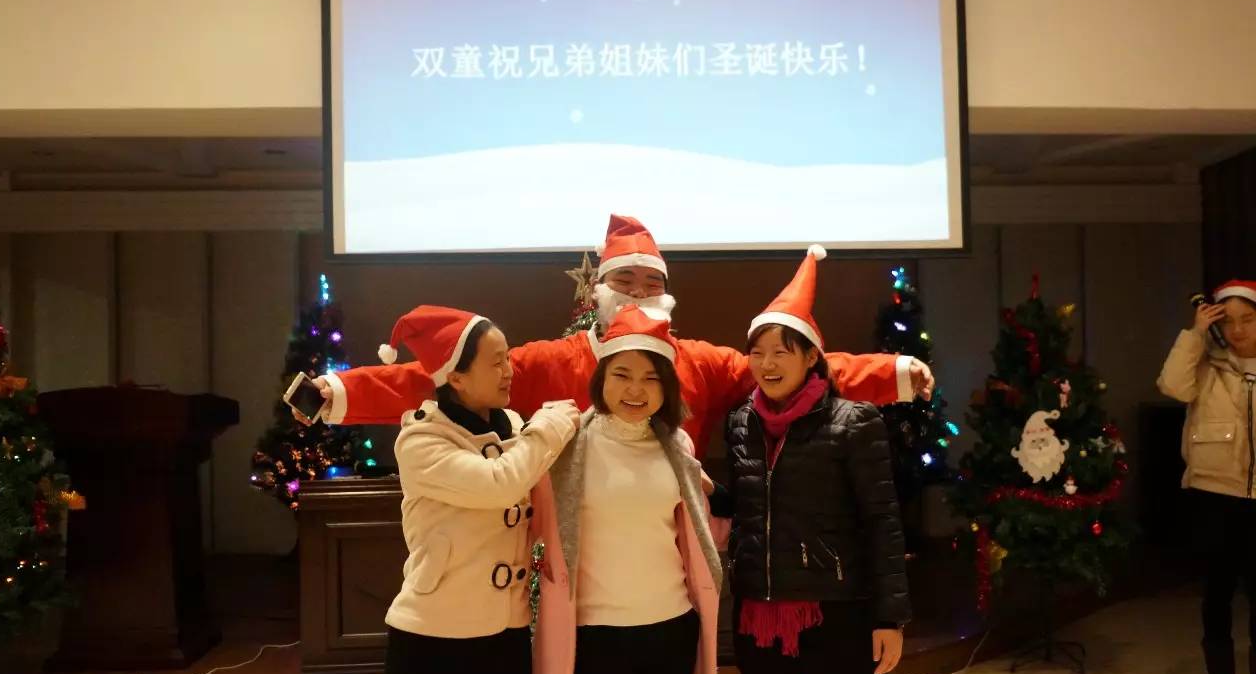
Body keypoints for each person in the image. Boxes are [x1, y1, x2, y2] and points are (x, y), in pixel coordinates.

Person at [293, 215, 935, 456]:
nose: (636, 292)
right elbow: (440, 379)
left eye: (649, 282)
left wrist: (895, 374)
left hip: (670, 544)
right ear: (598, 292)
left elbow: (791, 371)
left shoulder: (701, 363)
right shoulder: (550, 362)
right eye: (623, 281)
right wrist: (337, 393)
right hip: (573, 551)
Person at [711, 246, 911, 674]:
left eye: (781, 351)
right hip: (760, 612)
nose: (767, 364)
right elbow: (752, 504)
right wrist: (701, 488)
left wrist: (889, 618)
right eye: (757, 352)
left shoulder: (854, 422)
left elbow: (882, 523)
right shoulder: (740, 422)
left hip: (838, 610)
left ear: (810, 358)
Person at [382, 305, 580, 674]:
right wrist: (549, 428)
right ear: (456, 377)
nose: (509, 371)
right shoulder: (420, 441)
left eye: (508, 358)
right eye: (495, 362)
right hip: (432, 643)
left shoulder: (514, 427)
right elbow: (499, 484)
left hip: (505, 641)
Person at [530, 304, 723, 674]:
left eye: (651, 378)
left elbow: (697, 523)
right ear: (601, 378)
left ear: (666, 387)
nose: (635, 389)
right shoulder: (568, 443)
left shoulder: (677, 445)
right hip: (598, 634)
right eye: (622, 374)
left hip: (672, 627)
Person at [1157, 279, 1256, 674]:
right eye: (1228, 321)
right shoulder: (1206, 363)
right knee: (1217, 592)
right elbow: (1172, 386)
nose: (1238, 330)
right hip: (1215, 493)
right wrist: (1196, 334)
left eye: (1248, 319)